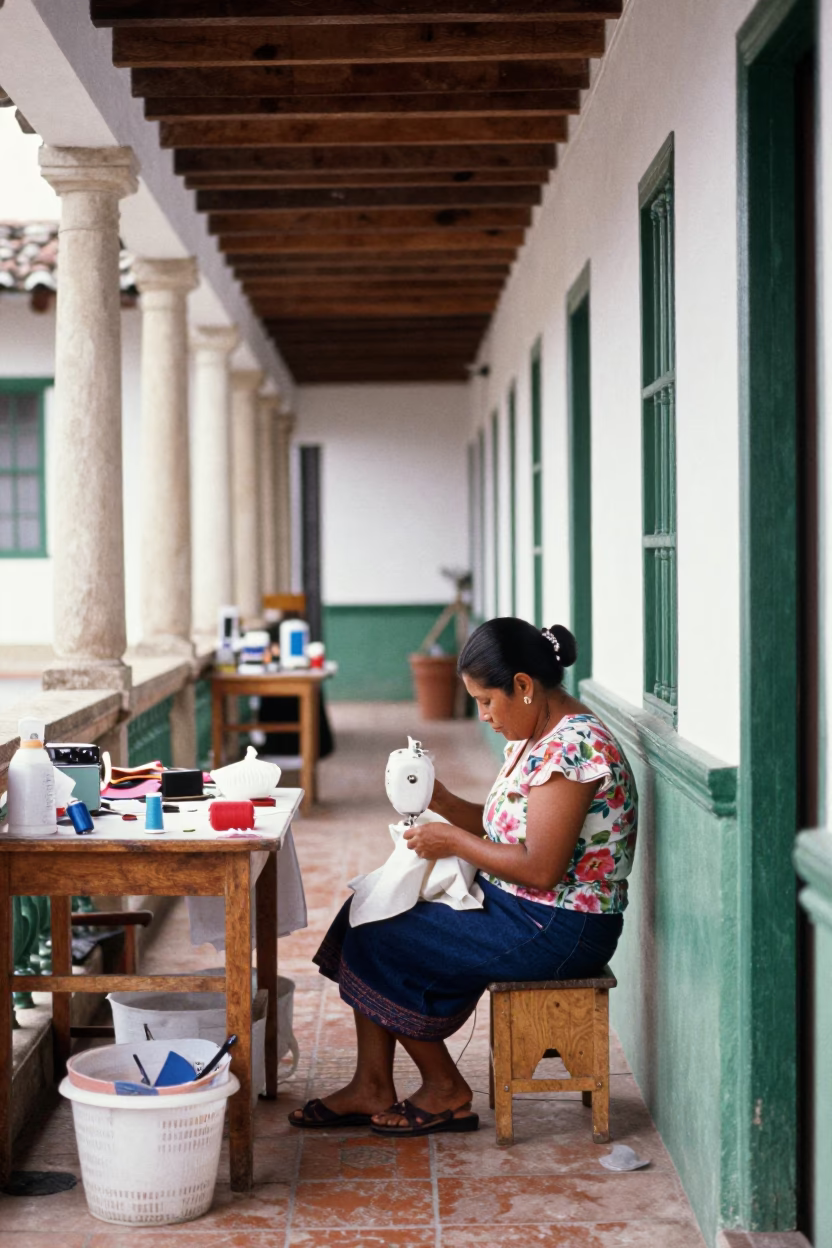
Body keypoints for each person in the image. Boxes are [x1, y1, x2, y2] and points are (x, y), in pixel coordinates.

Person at [289, 617, 638, 1138]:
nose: (484, 716)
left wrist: (450, 842)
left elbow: (540, 868)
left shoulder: (572, 750)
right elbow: (507, 830)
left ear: (523, 685)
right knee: (369, 909)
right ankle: (371, 1083)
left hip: (561, 925)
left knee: (382, 937)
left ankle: (445, 1091)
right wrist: (443, 802)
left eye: (487, 701)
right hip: (529, 908)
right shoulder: (539, 733)